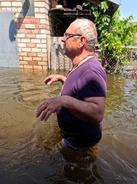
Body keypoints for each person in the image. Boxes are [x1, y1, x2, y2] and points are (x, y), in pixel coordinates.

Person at [36, 18, 107, 150]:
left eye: (67, 35)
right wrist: (64, 79)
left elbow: (97, 113)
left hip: (80, 143)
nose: (63, 39)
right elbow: (80, 89)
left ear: (81, 41)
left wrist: (65, 101)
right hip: (72, 138)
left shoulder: (91, 70)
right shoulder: (81, 65)